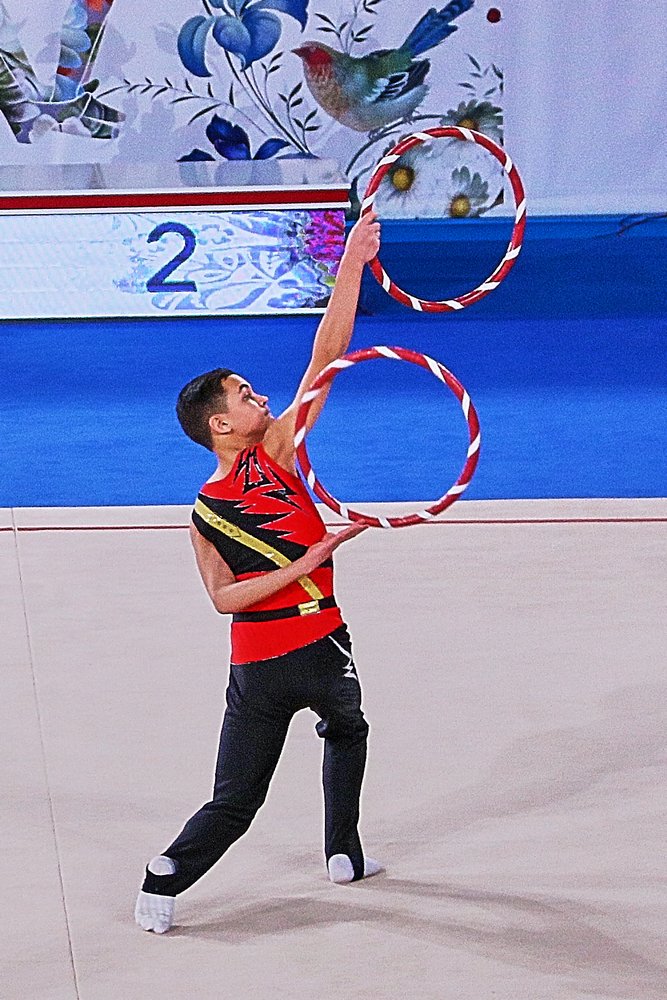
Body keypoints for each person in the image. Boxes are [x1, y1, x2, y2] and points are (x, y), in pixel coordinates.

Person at [135, 211, 383, 934]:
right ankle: (168, 875)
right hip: (285, 654)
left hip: (305, 648)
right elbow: (223, 597)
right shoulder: (232, 489)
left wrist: (352, 262)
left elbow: (327, 354)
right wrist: (308, 560)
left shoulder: (257, 465)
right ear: (219, 425)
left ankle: (339, 849)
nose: (261, 398)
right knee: (251, 790)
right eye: (245, 395)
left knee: (340, 733)